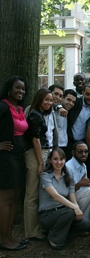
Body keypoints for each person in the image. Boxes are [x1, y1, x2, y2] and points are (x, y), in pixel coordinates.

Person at [39, 148, 90, 250]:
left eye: (61, 159)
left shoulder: (68, 177)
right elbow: (56, 196)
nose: (59, 162)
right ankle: (54, 239)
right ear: (50, 160)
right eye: (55, 159)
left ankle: (59, 234)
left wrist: (77, 208)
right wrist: (75, 207)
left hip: (64, 212)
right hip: (47, 214)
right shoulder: (45, 176)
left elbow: (72, 195)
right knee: (69, 212)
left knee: (85, 223)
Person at [0, 76, 29, 250]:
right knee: (5, 199)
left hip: (19, 156)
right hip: (6, 158)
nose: (20, 91)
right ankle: (3, 240)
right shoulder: (2, 106)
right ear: (9, 89)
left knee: (15, 197)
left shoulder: (19, 108)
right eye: (17, 88)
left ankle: (9, 236)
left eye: (23, 89)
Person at [24, 88, 53, 240]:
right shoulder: (34, 115)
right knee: (32, 194)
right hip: (36, 155)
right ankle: (31, 231)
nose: (49, 102)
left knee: (37, 193)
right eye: (46, 99)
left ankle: (37, 227)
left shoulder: (39, 114)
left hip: (42, 154)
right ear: (39, 99)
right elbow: (35, 140)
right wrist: (41, 162)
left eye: (50, 100)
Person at [65, 142, 90, 221]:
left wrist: (86, 184)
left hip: (77, 194)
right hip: (67, 198)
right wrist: (80, 184)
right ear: (73, 153)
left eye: (86, 151)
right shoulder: (68, 167)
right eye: (80, 152)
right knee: (89, 191)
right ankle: (81, 221)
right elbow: (66, 191)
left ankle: (84, 221)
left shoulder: (83, 165)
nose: (83, 154)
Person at [67, 83, 90, 159]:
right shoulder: (76, 102)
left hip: (84, 141)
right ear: (83, 93)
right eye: (87, 94)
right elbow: (63, 102)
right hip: (70, 140)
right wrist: (59, 107)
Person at [55, 89, 77, 154]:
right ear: (62, 98)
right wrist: (58, 107)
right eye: (69, 100)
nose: (71, 103)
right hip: (55, 145)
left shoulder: (68, 111)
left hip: (65, 145)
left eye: (73, 102)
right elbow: (53, 105)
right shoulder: (56, 110)